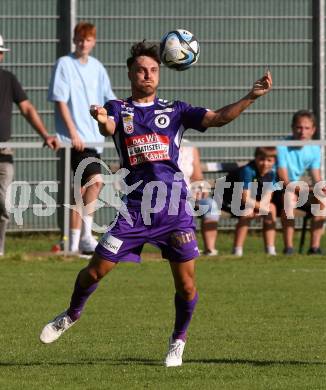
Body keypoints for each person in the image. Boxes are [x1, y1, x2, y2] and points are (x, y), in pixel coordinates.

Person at [40, 41, 272, 367]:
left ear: (160, 73)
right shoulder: (120, 108)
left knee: (187, 284)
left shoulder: (175, 110)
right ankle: (71, 314)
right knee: (95, 271)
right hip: (135, 210)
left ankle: (178, 340)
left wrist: (251, 96)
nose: (147, 75)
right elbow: (107, 124)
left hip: (174, 210)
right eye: (141, 70)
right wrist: (100, 116)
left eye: (152, 70)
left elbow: (218, 118)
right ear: (131, 74)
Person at [48, 21, 116, 254]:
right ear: (74, 39)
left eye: (87, 40)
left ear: (93, 42)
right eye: (79, 39)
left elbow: (109, 99)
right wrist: (72, 133)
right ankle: (83, 238)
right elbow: (60, 100)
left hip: (95, 139)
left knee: (84, 188)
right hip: (75, 141)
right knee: (94, 182)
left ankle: (76, 242)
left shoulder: (97, 68)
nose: (83, 43)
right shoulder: (64, 64)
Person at [0, 34, 59, 256]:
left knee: (3, 202)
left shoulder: (8, 79)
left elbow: (27, 109)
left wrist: (45, 135)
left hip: (4, 152)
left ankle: (0, 250)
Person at [273, 110, 326, 255]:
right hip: (276, 190)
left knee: (323, 201)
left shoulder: (315, 149)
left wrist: (322, 188)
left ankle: (314, 248)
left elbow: (316, 176)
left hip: (299, 190)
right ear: (292, 128)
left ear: (313, 130)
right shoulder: (282, 146)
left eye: (307, 128)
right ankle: (289, 248)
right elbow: (283, 180)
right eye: (299, 127)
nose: (302, 132)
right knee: (289, 198)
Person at [222, 147, 277, 257]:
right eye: (261, 159)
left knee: (271, 208)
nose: (265, 164)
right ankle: (237, 250)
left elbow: (268, 196)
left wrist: (260, 207)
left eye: (269, 160)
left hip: (251, 201)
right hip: (228, 200)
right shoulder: (247, 170)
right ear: (255, 158)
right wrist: (259, 207)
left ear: (274, 161)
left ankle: (271, 250)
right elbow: (244, 198)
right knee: (248, 211)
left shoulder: (272, 173)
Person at [178, 139, 220, 256]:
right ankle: (188, 248)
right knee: (187, 207)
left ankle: (210, 250)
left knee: (211, 205)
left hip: (189, 193)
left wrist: (200, 188)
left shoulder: (189, 146)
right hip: (170, 194)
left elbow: (197, 177)